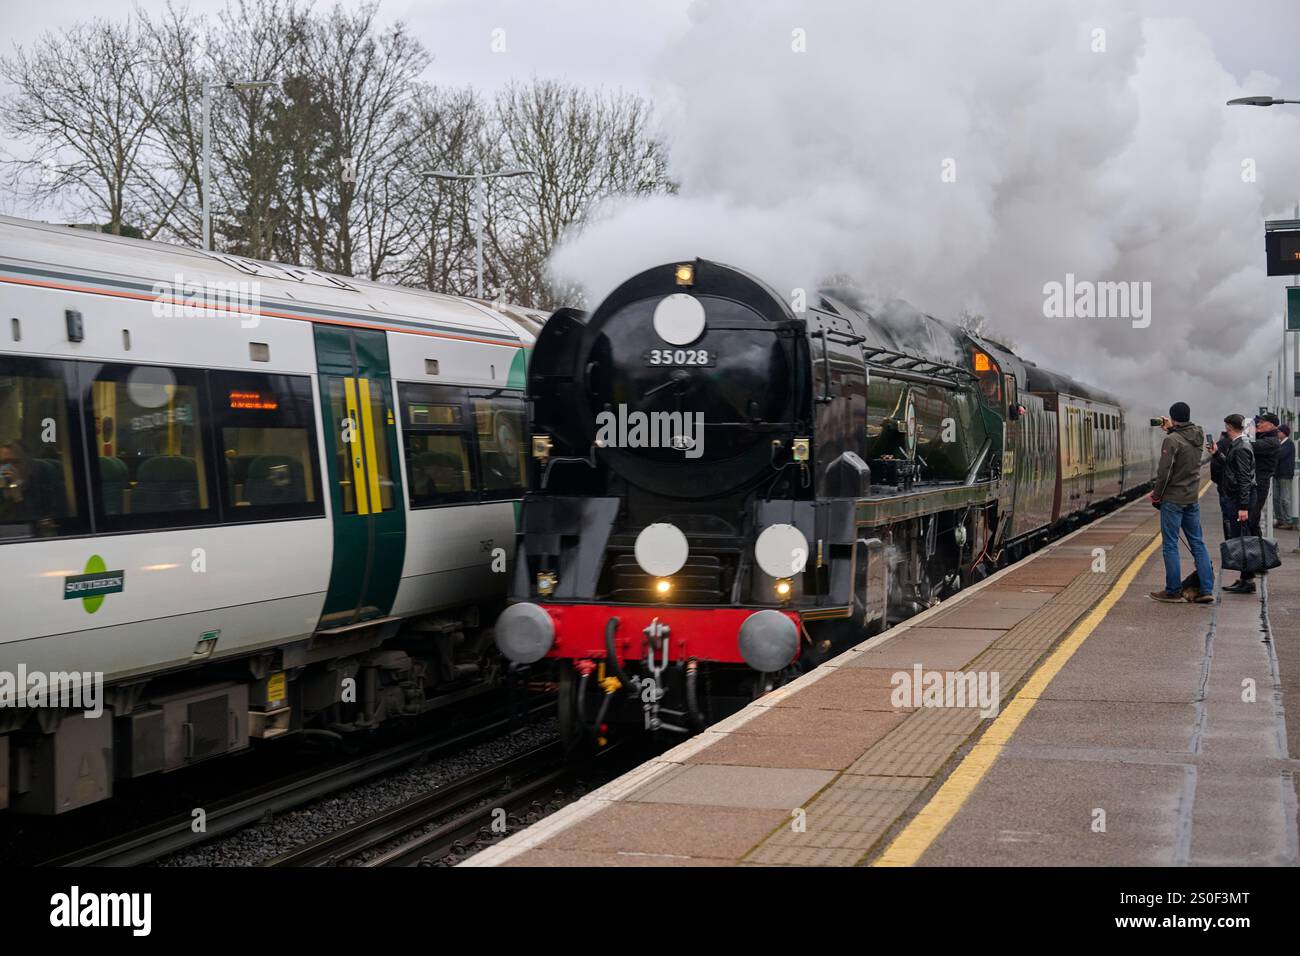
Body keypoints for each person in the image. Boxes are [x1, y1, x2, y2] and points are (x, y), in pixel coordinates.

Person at [1148, 402, 1215, 604]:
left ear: (1172, 417)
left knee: (1170, 545)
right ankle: (1206, 589)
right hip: (1191, 498)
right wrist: (1172, 429)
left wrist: (1156, 495)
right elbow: (1184, 439)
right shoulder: (1198, 434)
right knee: (1198, 542)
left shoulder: (1172, 440)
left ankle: (1172, 590)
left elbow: (1164, 473)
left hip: (1173, 499)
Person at [1222, 414, 1260, 594]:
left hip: (1240, 500)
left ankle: (1248, 580)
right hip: (1238, 498)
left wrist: (1243, 507)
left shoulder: (1242, 446)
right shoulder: (1240, 444)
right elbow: (1233, 469)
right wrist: (1216, 454)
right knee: (1241, 540)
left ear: (1229, 426)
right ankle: (1245, 577)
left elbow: (1245, 479)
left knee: (1243, 540)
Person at [1275, 423, 1295, 530]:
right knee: (1276, 499)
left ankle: (1288, 521)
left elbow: (1279, 455)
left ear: (1284, 433)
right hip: (1277, 474)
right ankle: (1280, 520)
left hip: (1285, 475)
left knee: (1285, 499)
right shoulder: (1280, 443)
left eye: (1279, 431)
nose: (1277, 433)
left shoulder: (1289, 444)